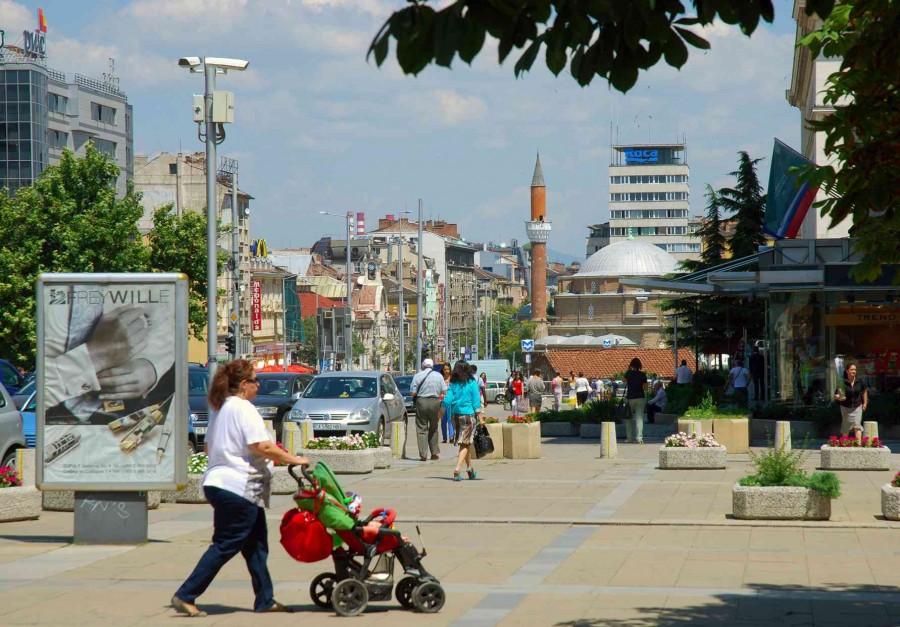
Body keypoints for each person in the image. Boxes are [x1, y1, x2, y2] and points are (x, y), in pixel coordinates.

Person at [173, 359, 309, 617]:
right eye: (255, 380)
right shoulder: (243, 408)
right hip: (237, 486)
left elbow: (209, 448)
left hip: (223, 483)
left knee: (256, 545)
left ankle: (265, 599)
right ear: (244, 385)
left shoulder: (221, 409)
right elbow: (262, 446)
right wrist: (296, 459)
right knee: (226, 543)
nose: (258, 385)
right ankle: (186, 594)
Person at [441, 361, 484, 481]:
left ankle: (470, 469)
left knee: (465, 442)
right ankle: (457, 469)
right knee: (465, 443)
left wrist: (441, 411)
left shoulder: (453, 383)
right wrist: (480, 417)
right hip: (468, 415)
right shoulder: (471, 383)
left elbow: (447, 399)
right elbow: (476, 401)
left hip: (455, 415)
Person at [410, 359, 447, 460]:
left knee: (421, 428)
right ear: (432, 366)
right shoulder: (438, 376)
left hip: (421, 401)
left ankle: (423, 454)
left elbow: (412, 393)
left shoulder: (417, 376)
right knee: (434, 428)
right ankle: (434, 453)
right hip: (435, 402)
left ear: (423, 366)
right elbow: (444, 390)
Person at [835, 363, 867, 439]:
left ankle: (858, 446)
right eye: (852, 369)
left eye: (855, 369)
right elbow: (836, 394)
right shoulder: (842, 382)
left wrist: (865, 403)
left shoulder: (859, 381)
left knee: (857, 425)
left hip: (857, 406)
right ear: (847, 371)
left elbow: (864, 391)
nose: (854, 371)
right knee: (846, 427)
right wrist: (839, 398)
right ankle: (845, 445)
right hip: (845, 407)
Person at [624, 357, 649, 444]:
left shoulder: (629, 373)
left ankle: (629, 438)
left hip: (630, 398)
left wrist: (629, 370)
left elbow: (623, 381)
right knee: (639, 418)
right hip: (640, 397)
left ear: (631, 365)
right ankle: (639, 438)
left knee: (628, 418)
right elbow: (645, 388)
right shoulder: (643, 374)